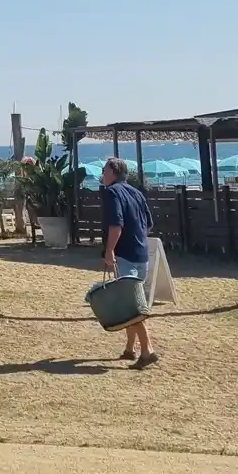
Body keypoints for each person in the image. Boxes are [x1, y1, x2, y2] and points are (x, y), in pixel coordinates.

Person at [100, 157, 157, 369]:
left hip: (124, 254)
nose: (102, 174)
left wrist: (109, 250)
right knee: (132, 302)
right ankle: (129, 348)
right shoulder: (136, 193)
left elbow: (116, 225)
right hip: (141, 254)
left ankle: (147, 350)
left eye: (104, 170)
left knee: (131, 307)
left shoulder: (112, 193)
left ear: (113, 173)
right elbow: (148, 224)